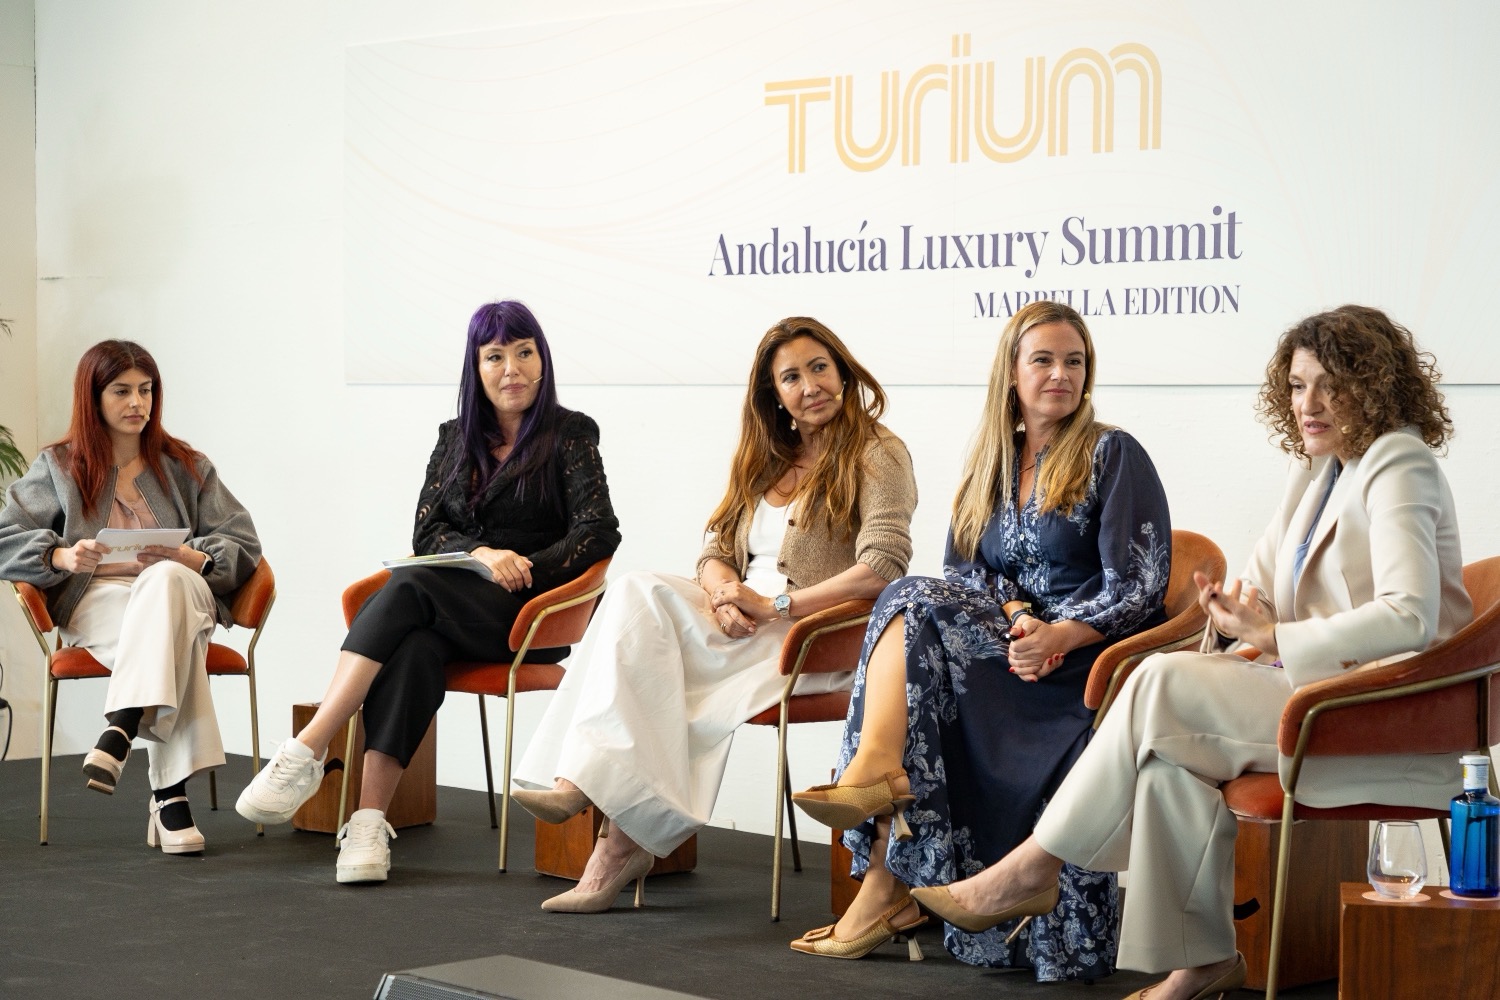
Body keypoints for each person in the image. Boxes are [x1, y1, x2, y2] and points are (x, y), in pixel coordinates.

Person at [909, 305, 1472, 1000]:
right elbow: (1257, 591)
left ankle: (1034, 865)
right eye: (1298, 386)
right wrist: (1232, 614)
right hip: (1308, 688)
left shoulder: (1398, 462)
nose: (1309, 404)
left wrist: (1275, 637)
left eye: (1332, 385)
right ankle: (1201, 962)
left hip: (1384, 707)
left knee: (1157, 681)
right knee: (1166, 762)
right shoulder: (1317, 471)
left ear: (1376, 387)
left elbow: (1410, 616)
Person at [787, 301, 1171, 977]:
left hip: (1077, 671)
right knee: (916, 607)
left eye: (1074, 361)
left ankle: (875, 799)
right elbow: (965, 570)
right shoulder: (993, 461)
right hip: (1012, 651)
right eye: (1043, 360)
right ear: (1011, 373)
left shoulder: (1112, 453)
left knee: (908, 598)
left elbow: (1140, 583)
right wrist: (1018, 613)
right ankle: (883, 845)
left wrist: (1059, 633)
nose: (1061, 374)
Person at [511, 316, 918, 913]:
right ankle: (588, 796)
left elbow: (883, 565)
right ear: (773, 393)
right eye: (791, 377)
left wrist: (774, 605)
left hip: (811, 632)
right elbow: (715, 547)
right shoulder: (768, 457)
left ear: (843, 371)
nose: (810, 386)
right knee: (635, 593)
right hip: (737, 621)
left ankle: (609, 827)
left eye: (819, 368)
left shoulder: (879, 452)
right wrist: (726, 592)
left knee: (656, 672)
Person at [234, 300, 620, 883]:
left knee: (409, 584)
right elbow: (428, 532)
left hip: (530, 616)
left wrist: (522, 568)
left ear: (542, 361)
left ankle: (309, 746)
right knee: (413, 647)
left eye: (524, 353)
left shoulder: (570, 434)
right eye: (495, 356)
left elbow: (597, 532)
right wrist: (482, 555)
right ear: (476, 367)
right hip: (453, 605)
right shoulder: (455, 438)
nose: (511, 369)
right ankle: (367, 824)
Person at [0, 340, 261, 854]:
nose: (137, 402)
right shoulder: (58, 466)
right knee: (174, 641)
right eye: (121, 391)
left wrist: (193, 558)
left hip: (184, 590)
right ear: (93, 397)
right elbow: (4, 536)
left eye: (146, 390)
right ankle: (168, 797)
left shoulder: (186, 465)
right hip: (98, 598)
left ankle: (121, 725)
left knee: (165, 582)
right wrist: (61, 557)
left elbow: (244, 540)